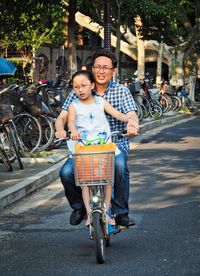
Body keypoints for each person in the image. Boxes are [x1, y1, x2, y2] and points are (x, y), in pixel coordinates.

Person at [55, 49, 139, 227]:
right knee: (66, 173)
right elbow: (62, 118)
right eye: (97, 67)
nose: (101, 71)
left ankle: (120, 212)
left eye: (105, 68)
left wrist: (132, 125)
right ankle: (80, 207)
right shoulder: (79, 89)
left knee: (120, 166)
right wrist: (60, 129)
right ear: (92, 69)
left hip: (113, 144)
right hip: (84, 146)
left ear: (113, 71)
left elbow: (130, 114)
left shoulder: (121, 91)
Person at [68, 70, 130, 226]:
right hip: (84, 148)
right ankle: (89, 214)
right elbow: (70, 122)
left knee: (107, 180)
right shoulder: (73, 106)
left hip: (104, 146)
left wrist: (131, 121)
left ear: (92, 85)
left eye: (83, 85)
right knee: (85, 182)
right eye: (76, 87)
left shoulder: (101, 102)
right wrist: (73, 131)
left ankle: (108, 214)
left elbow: (118, 114)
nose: (80, 89)